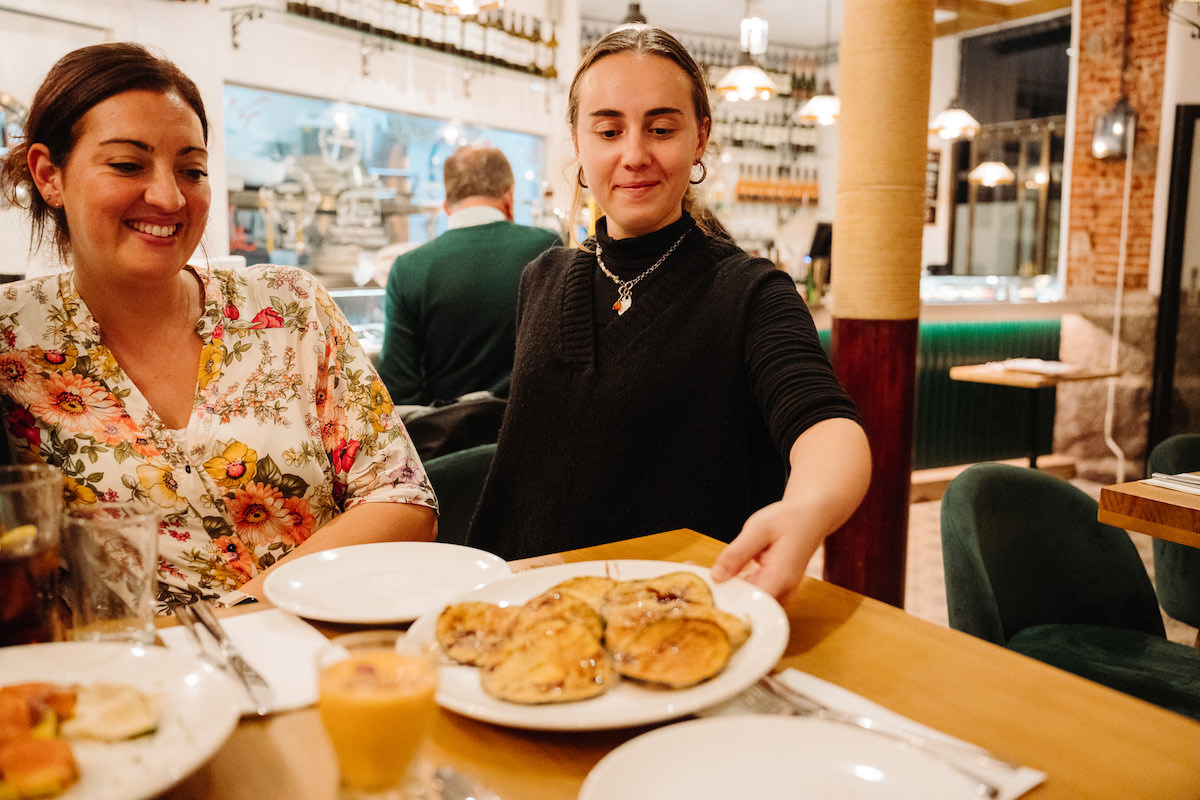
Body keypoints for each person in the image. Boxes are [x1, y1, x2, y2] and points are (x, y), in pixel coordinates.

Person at [0, 42, 436, 611]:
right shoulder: (12, 340)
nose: (169, 195)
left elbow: (403, 497)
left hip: (332, 653)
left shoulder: (288, 308)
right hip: (130, 683)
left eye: (192, 169)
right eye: (128, 164)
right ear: (48, 175)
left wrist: (240, 618)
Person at [465, 27, 872, 602]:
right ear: (578, 143)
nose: (634, 155)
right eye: (609, 130)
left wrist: (806, 509)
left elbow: (825, 423)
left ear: (700, 137)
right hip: (521, 609)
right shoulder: (542, 277)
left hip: (673, 618)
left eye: (661, 129)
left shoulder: (750, 291)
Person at [378, 143, 561, 407]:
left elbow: (400, 391)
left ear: (447, 206)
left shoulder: (408, 268)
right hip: (535, 432)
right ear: (509, 196)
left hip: (449, 441)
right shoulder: (547, 247)